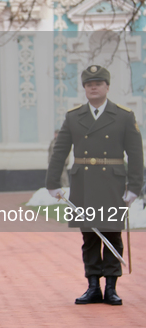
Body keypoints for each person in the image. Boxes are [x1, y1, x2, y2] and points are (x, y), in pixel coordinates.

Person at [46, 65, 143, 306]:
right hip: (84, 184)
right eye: (89, 84)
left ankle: (111, 287)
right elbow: (60, 152)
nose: (93, 87)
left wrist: (134, 186)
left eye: (98, 83)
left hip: (112, 183)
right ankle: (92, 286)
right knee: (89, 236)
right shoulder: (73, 116)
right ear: (85, 89)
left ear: (107, 87)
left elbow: (135, 154)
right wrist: (52, 182)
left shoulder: (124, 116)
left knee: (111, 233)